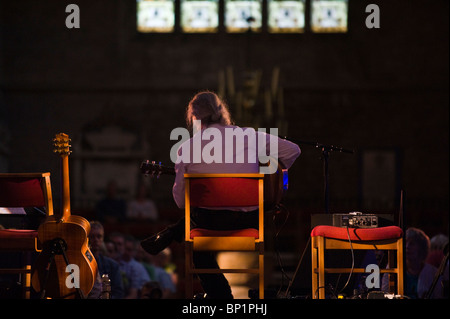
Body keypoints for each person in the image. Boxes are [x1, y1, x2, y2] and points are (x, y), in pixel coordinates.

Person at [141, 90, 300, 298]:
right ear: (222, 112)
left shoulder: (187, 148)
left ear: (194, 118)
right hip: (249, 220)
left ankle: (221, 295)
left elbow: (181, 203)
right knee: (193, 223)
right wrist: (270, 174)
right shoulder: (250, 136)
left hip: (209, 222)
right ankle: (173, 233)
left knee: (193, 231)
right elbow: (293, 151)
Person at [87, 221, 124, 299]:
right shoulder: (80, 263)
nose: (96, 240)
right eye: (92, 236)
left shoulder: (112, 265)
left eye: (99, 236)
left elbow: (118, 293)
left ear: (102, 239)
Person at [115, 233, 151, 298]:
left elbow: (133, 294)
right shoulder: (116, 262)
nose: (126, 252)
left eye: (129, 250)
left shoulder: (136, 267)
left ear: (134, 251)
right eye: (125, 249)